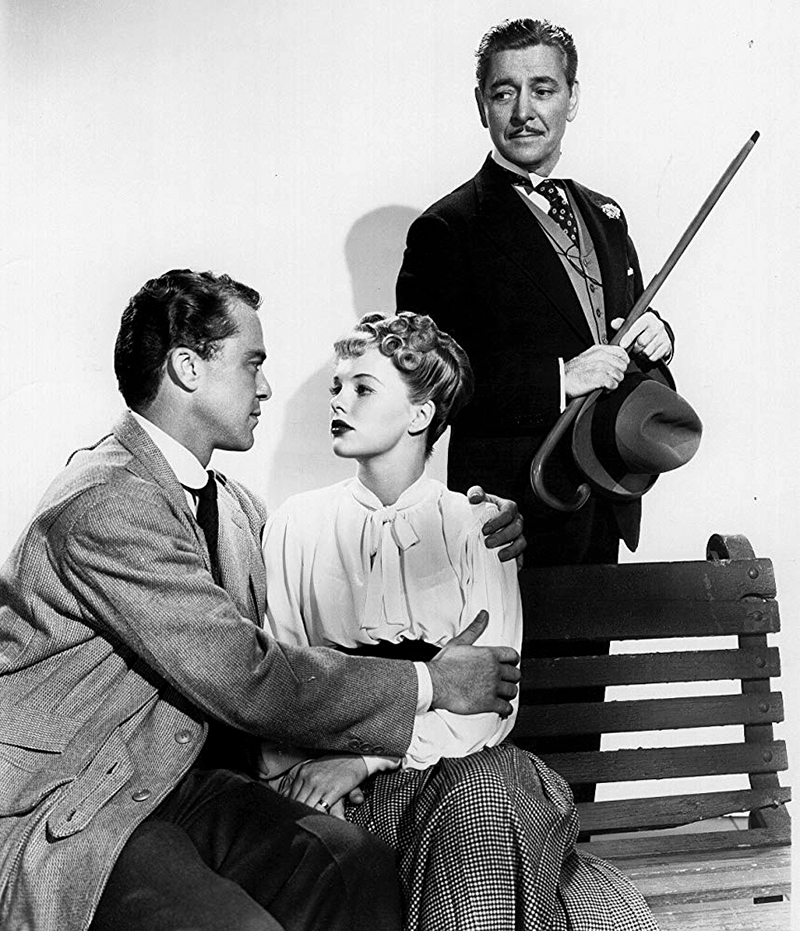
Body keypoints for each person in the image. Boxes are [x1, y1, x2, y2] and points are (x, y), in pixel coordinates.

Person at [0, 270, 526, 931]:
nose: (268, 387)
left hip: (179, 784)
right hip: (79, 803)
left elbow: (309, 626)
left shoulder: (237, 508)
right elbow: (248, 674)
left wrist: (481, 529)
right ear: (188, 368)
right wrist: (431, 683)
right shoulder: (108, 501)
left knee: (353, 867)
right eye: (252, 363)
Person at [261, 312, 658, 931]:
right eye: (337, 387)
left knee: (482, 792)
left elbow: (489, 708)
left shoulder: (479, 526)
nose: (338, 401)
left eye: (362, 388)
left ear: (420, 415)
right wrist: (319, 776)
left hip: (466, 767)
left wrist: (364, 759)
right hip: (356, 794)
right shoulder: (296, 524)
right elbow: (285, 684)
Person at [396, 18, 674, 567]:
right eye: (505, 93)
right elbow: (428, 383)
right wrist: (560, 380)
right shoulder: (446, 229)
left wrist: (657, 336)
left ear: (572, 99)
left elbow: (615, 327)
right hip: (511, 516)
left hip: (608, 496)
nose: (524, 111)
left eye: (543, 90)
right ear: (482, 105)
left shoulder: (606, 215)